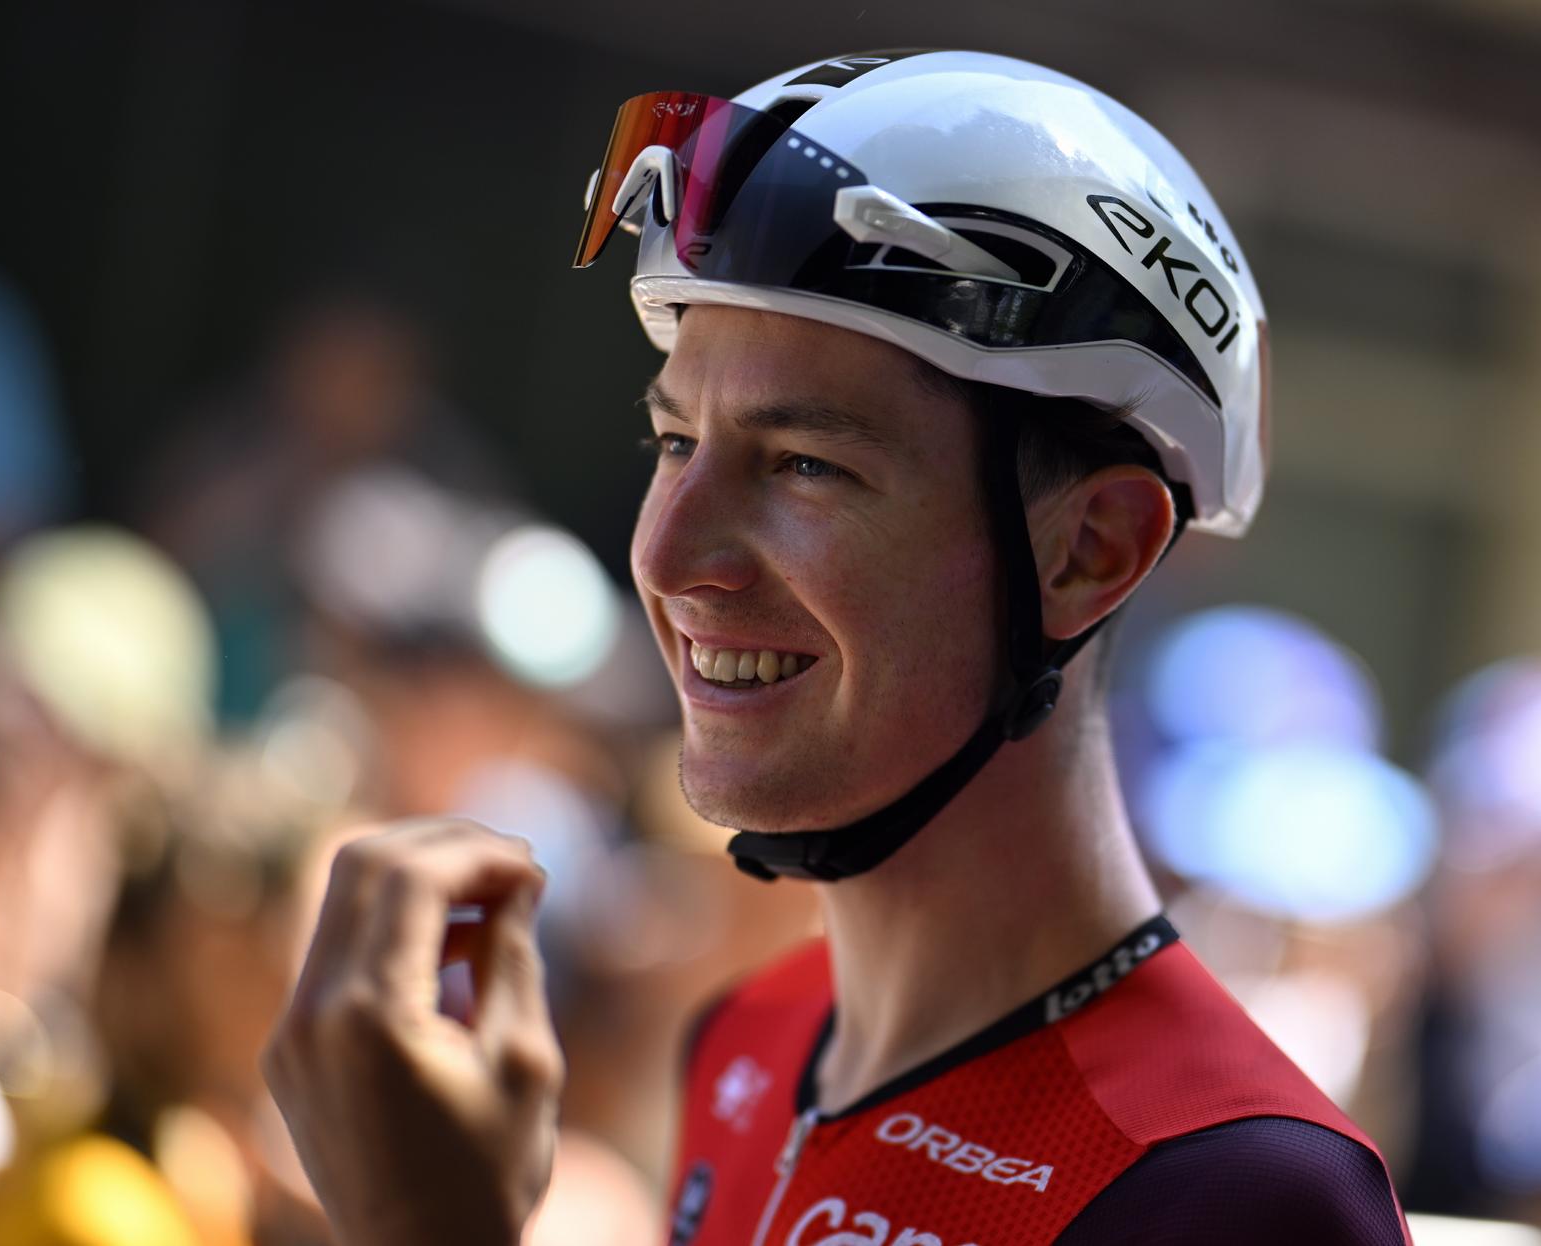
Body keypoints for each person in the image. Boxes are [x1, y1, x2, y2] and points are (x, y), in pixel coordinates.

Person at [263, 50, 1414, 1244]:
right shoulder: (747, 1036)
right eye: (675, 444)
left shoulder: (1238, 1190)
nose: (669, 558)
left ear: (1090, 550)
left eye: (805, 464)